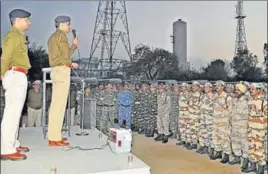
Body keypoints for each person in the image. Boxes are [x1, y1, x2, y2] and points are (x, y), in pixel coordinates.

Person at [1, 9, 31, 161]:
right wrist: (1, 73)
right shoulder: (12, 36)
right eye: (27, 20)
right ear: (18, 20)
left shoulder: (19, 36)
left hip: (19, 74)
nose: (29, 22)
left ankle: (13, 143)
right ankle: (6, 149)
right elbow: (5, 56)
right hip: (14, 74)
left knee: (16, 113)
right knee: (11, 113)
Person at [47, 15, 79, 147]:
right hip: (61, 71)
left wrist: (73, 46)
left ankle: (55, 135)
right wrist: (72, 63)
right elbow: (65, 57)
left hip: (57, 70)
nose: (69, 26)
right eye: (68, 24)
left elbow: (62, 54)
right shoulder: (61, 36)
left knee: (57, 105)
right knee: (58, 106)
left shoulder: (54, 37)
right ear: (61, 25)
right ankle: (54, 138)